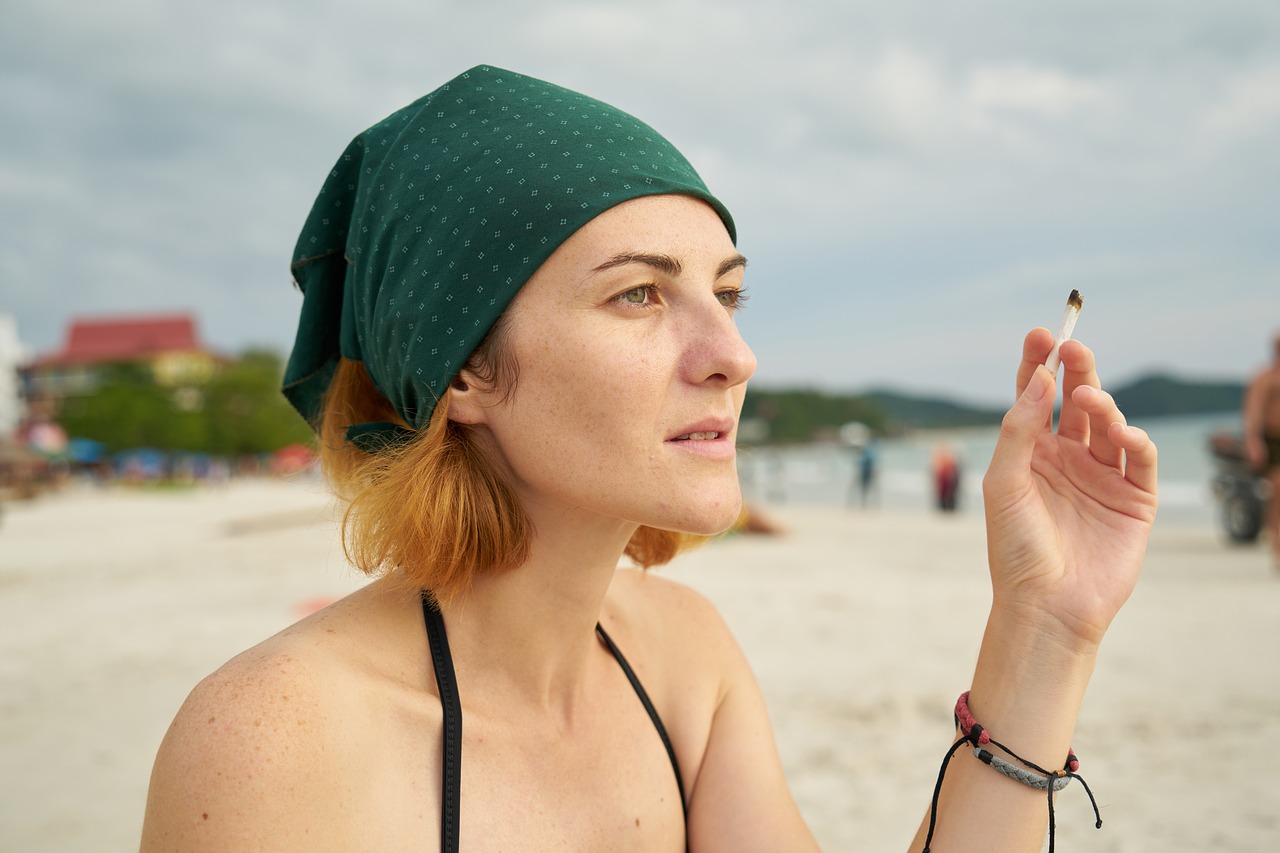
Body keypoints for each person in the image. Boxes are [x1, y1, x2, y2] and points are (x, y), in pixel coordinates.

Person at [139, 65, 1158, 852]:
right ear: (464, 371)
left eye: (727, 292)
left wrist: (1043, 629)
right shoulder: (275, 739)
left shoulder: (681, 660)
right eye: (637, 294)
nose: (732, 355)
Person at [1243, 333, 1280, 567]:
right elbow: (1253, 411)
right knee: (1278, 491)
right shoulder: (1265, 377)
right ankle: (1277, 543)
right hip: (1273, 440)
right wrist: (1253, 441)